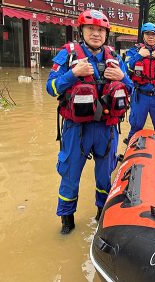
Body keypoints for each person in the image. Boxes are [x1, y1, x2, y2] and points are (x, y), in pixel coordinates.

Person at [46, 9, 133, 234]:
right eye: (91, 29)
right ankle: (67, 222)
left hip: (107, 129)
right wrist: (72, 74)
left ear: (106, 34)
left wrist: (123, 78)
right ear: (81, 30)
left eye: (100, 30)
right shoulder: (69, 54)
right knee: (70, 175)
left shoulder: (114, 58)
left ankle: (101, 216)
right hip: (77, 129)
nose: (96, 34)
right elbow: (51, 87)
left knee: (105, 177)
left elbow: (131, 89)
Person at [125, 23, 155, 142]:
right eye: (147, 34)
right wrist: (139, 56)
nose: (151, 37)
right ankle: (130, 151)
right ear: (143, 36)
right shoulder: (134, 51)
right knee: (136, 127)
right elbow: (125, 71)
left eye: (153, 34)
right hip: (140, 96)